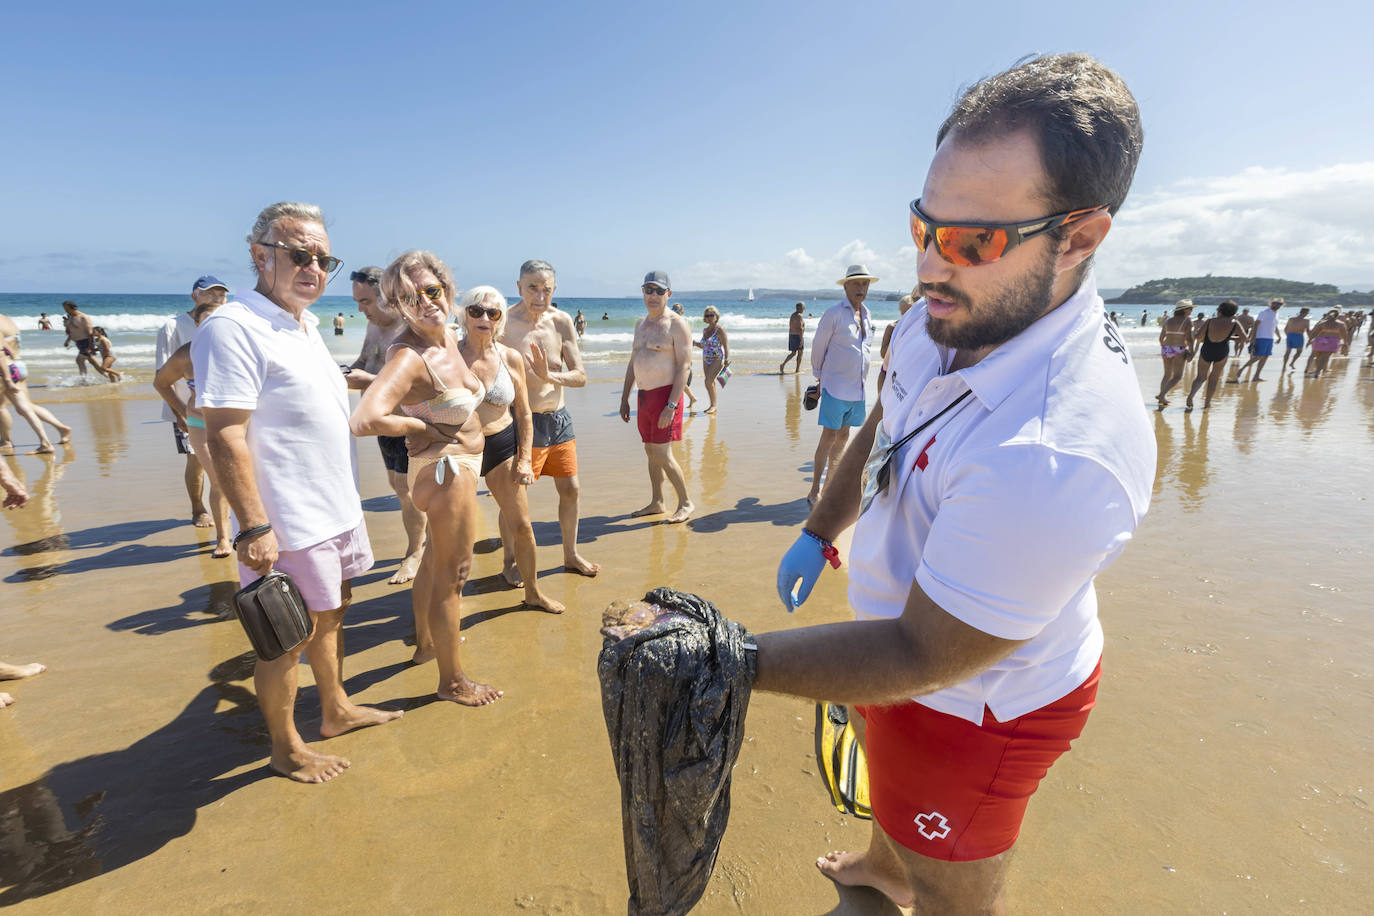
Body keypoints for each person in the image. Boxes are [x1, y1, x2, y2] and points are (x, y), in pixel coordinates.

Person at [764, 53, 1153, 912]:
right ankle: (883, 862)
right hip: (902, 635)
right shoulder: (939, 313)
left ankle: (916, 878)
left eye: (972, 240)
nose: (931, 267)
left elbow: (921, 657)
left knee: (954, 899)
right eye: (922, 227)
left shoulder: (1058, 454)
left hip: (982, 703)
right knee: (883, 768)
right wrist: (820, 528)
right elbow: (882, 423)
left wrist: (731, 661)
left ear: (1080, 238)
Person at [193, 201, 401, 784]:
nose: (314, 267)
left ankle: (334, 709)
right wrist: (253, 527)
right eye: (299, 254)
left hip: (334, 506)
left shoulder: (303, 322)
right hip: (285, 519)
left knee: (333, 612)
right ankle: (285, 748)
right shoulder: (233, 326)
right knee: (282, 639)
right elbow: (225, 432)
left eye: (323, 258)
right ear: (260, 255)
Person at [349, 250, 503, 705]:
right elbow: (364, 420)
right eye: (407, 298)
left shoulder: (447, 338)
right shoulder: (410, 356)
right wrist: (419, 427)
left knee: (435, 562)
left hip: (454, 466)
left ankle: (424, 647)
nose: (423, 303)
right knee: (454, 575)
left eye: (430, 291)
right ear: (396, 305)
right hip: (445, 472)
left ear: (446, 289)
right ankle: (452, 682)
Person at [456, 286, 564, 613]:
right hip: (461, 450)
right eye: (476, 311)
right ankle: (449, 605)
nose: (484, 318)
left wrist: (525, 460)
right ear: (464, 314)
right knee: (455, 533)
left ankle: (533, 592)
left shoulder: (509, 357)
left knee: (522, 526)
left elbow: (524, 412)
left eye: (493, 312)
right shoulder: (448, 354)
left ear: (501, 319)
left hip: (502, 443)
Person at [501, 259, 600, 576]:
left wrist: (549, 376)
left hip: (558, 419)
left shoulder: (561, 322)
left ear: (554, 289)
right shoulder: (504, 323)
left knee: (571, 489)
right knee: (515, 497)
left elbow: (581, 376)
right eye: (532, 287)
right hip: (519, 421)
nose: (540, 295)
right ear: (519, 287)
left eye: (546, 289)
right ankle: (510, 561)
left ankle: (570, 555)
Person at [345, 266, 426, 585]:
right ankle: (426, 540)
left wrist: (370, 381)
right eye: (356, 302)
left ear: (386, 297)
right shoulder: (374, 328)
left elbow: (423, 382)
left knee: (409, 491)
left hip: (409, 421)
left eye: (365, 301)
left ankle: (415, 552)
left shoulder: (411, 330)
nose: (360, 309)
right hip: (384, 425)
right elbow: (363, 362)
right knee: (398, 487)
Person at [153, 299, 232, 558]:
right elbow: (161, 383)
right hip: (199, 422)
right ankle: (223, 538)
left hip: (234, 424)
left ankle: (249, 529)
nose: (210, 327)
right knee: (219, 479)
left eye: (216, 321)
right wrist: (179, 410)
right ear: (196, 324)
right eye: (204, 322)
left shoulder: (237, 349)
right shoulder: (186, 354)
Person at [619, 270, 693, 523]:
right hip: (644, 396)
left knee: (663, 453)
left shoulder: (677, 324)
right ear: (643, 292)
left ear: (668, 294)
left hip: (666, 396)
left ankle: (685, 502)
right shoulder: (640, 324)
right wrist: (624, 397)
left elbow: (684, 366)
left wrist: (671, 405)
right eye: (648, 290)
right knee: (650, 451)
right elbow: (633, 362)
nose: (653, 295)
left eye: (659, 291)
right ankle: (657, 501)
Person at [807, 265, 876, 506]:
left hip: (858, 390)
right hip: (835, 387)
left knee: (844, 436)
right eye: (856, 283)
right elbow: (818, 347)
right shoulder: (833, 313)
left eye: (865, 283)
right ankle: (815, 489)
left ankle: (828, 488)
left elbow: (865, 350)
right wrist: (819, 377)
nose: (861, 288)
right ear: (845, 286)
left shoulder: (868, 314)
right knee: (829, 436)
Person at [0, 312, 72, 453]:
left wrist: (7, 379)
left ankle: (6, 441)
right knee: (25, 407)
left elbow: (0, 353)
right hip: (18, 364)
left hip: (5, 370)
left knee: (2, 407)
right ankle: (61, 428)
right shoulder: (7, 320)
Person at [1186, 300, 1245, 410]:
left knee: (1200, 377)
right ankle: (1207, 403)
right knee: (1213, 378)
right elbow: (1244, 339)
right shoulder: (1235, 323)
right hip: (1222, 351)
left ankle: (1191, 395)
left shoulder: (1210, 321)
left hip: (1207, 349)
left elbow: (1198, 337)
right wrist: (1229, 337)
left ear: (1220, 311)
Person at [1156, 299, 1195, 408]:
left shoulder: (1168, 320)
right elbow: (1189, 338)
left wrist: (1165, 347)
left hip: (1166, 347)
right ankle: (1162, 394)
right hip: (1179, 348)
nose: (1191, 310)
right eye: (1190, 308)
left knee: (1167, 374)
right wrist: (1192, 351)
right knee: (1177, 376)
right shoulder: (1187, 321)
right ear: (1184, 310)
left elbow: (1161, 338)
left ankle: (1162, 398)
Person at [877, 293, 917, 395]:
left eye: (908, 312)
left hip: (906, 376)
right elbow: (882, 353)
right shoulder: (892, 327)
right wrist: (898, 338)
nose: (905, 317)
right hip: (887, 373)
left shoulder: (918, 331)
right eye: (902, 313)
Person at [1234, 298, 1282, 382]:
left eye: (1279, 304)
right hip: (1261, 337)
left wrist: (1279, 336)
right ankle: (1242, 369)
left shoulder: (1277, 314)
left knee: (1265, 357)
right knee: (1258, 356)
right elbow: (1256, 324)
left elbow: (1275, 326)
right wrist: (1253, 337)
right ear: (1271, 303)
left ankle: (1256, 376)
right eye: (1275, 303)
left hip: (1270, 338)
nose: (1277, 305)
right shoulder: (1264, 312)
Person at [693, 306, 729, 414]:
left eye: (711, 315)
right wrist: (695, 344)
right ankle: (713, 406)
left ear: (716, 316)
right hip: (706, 358)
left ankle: (713, 406)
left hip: (717, 358)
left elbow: (726, 346)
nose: (709, 317)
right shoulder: (705, 330)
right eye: (707, 315)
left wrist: (727, 359)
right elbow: (704, 345)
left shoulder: (720, 330)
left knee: (707, 381)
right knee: (710, 382)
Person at [60, 300, 101, 379]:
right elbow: (71, 332)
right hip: (79, 343)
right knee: (92, 362)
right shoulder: (71, 317)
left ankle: (84, 380)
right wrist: (67, 339)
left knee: (80, 360)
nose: (65, 311)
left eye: (67, 309)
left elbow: (90, 333)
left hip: (86, 342)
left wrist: (90, 347)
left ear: (74, 308)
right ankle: (108, 375)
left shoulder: (83, 317)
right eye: (64, 309)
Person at [669, 302, 699, 409]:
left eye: (677, 310)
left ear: (682, 312)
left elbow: (687, 341)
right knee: (676, 380)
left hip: (683, 357)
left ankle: (680, 402)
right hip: (674, 357)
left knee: (679, 380)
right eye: (673, 310)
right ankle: (691, 398)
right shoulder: (670, 323)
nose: (674, 312)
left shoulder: (683, 324)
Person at [1305, 309, 1350, 378]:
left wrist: (1309, 341)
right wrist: (1345, 343)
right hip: (1333, 341)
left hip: (1320, 340)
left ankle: (1318, 370)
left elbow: (1314, 333)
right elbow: (1344, 334)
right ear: (1337, 316)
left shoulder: (1322, 323)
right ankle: (1317, 372)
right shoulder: (1341, 324)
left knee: (1318, 357)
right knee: (1325, 357)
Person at [1282, 305, 1310, 373]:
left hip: (1289, 335)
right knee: (1299, 352)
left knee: (1287, 352)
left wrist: (1288, 336)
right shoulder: (1306, 320)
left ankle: (1284, 366)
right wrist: (1310, 339)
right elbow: (1308, 331)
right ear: (1307, 313)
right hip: (1299, 336)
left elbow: (1285, 329)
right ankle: (1292, 363)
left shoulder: (1291, 318)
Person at [780, 302, 806, 374]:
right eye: (803, 307)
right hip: (798, 336)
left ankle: (783, 364)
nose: (804, 309)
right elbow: (800, 328)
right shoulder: (799, 316)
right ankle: (797, 370)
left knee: (793, 353)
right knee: (800, 353)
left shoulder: (793, 315)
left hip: (792, 335)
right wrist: (801, 340)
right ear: (800, 308)